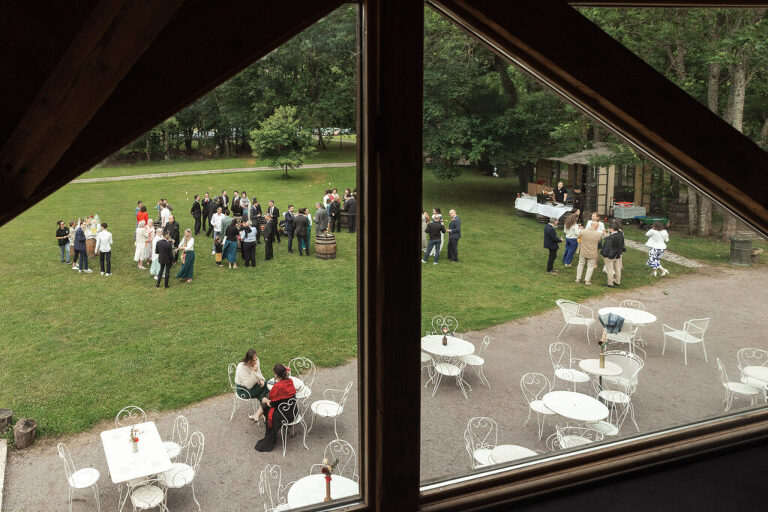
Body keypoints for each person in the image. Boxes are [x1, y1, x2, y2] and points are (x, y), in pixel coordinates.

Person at [254, 363, 296, 452]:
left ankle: (261, 417)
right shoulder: (290, 382)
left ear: (276, 374)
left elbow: (272, 403)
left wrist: (265, 400)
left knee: (266, 405)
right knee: (267, 400)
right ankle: (258, 415)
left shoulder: (277, 387)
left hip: (282, 415)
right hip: (292, 411)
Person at [235, 349, 269, 422]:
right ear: (249, 361)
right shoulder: (241, 367)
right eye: (254, 360)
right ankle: (265, 412)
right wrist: (254, 372)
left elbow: (259, 374)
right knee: (266, 389)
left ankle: (260, 413)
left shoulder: (256, 362)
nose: (256, 361)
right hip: (243, 390)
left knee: (265, 386)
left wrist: (261, 380)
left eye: (256, 359)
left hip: (253, 386)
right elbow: (249, 385)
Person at [575, 220, 602, 286]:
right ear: (597, 227)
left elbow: (578, 236)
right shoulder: (599, 234)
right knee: (590, 266)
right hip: (592, 252)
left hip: (583, 251)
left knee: (581, 263)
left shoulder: (583, 231)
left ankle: (578, 278)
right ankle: (587, 281)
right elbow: (599, 241)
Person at [601, 220, 624, 287]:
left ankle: (610, 283)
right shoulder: (620, 235)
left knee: (610, 269)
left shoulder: (610, 238)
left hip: (610, 255)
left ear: (611, 229)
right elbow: (622, 245)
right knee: (617, 268)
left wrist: (604, 254)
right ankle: (617, 281)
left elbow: (606, 247)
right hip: (617, 255)